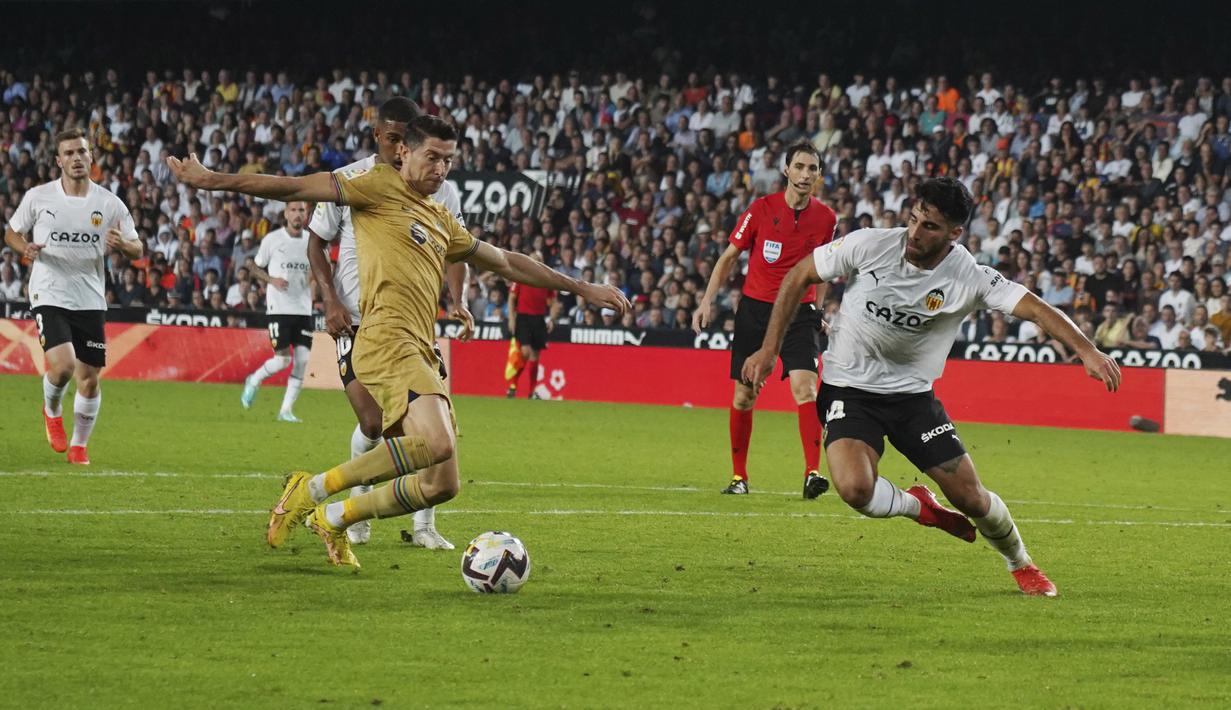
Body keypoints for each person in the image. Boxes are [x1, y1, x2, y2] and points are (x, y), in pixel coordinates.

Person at [167, 114, 630, 568]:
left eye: (448, 160)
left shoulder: (441, 218)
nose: (441, 168)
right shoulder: (376, 186)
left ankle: (333, 517)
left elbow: (506, 261)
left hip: (422, 346)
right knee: (436, 442)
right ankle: (308, 492)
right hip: (386, 337)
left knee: (442, 484)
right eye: (433, 157)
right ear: (404, 152)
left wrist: (582, 288)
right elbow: (293, 186)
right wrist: (212, 180)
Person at [742, 177, 1121, 597]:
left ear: (955, 233)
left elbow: (1035, 307)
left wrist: (1087, 351)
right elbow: (799, 275)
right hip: (848, 388)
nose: (915, 233)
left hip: (912, 398)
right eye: (914, 219)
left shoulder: (969, 276)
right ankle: (916, 506)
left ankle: (1021, 563)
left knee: (973, 499)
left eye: (930, 227)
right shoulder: (869, 245)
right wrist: (768, 348)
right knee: (854, 489)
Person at [307, 97, 469, 549]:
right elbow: (316, 244)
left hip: (410, 323)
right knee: (376, 423)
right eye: (392, 136)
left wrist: (458, 299)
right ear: (378, 135)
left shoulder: (440, 188)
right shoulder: (356, 180)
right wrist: (331, 300)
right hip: (356, 319)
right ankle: (350, 512)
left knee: (424, 427)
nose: (399, 146)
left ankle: (422, 526)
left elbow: (461, 250)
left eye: (406, 137)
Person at [692, 142, 836, 498]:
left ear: (818, 175)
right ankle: (739, 477)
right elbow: (728, 257)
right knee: (744, 397)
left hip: (799, 314)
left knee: (806, 388)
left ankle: (811, 473)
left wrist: (819, 310)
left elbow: (824, 270)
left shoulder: (827, 219)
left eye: (812, 169)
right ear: (786, 170)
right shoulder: (760, 210)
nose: (806, 174)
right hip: (755, 312)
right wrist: (707, 300)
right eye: (799, 167)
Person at [4, 127, 143, 465]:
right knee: (64, 366)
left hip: (90, 298)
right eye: (69, 153)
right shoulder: (39, 197)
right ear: (58, 161)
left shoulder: (109, 203)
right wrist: (25, 248)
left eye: (81, 152)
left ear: (91, 156)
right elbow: (11, 232)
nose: (76, 158)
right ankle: (51, 410)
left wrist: (123, 245)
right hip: (49, 291)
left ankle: (79, 446)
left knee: (90, 380)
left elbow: (137, 248)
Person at [239, 201, 313, 422]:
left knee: (302, 360)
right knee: (282, 360)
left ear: (307, 214)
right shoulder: (273, 239)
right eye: (293, 210)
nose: (298, 214)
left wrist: (316, 277)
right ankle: (254, 379)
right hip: (279, 308)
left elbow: (322, 266)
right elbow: (252, 265)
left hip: (304, 308)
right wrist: (271, 279)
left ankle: (286, 410)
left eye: (302, 210)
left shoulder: (313, 241)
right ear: (286, 213)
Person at [506, 251, 555, 399]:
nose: (536, 263)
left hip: (538, 319)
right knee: (525, 352)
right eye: (533, 260)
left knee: (535, 356)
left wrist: (551, 318)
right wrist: (511, 318)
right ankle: (513, 385)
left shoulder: (547, 280)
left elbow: (552, 302)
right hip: (523, 318)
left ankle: (532, 392)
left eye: (539, 260)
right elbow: (512, 298)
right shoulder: (521, 277)